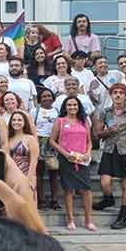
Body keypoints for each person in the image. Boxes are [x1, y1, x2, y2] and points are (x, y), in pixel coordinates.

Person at [50, 96, 95, 231]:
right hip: (66, 159)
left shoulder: (84, 121)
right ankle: (70, 219)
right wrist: (65, 154)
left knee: (86, 190)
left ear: (79, 106)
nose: (72, 107)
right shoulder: (60, 121)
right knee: (69, 190)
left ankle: (89, 221)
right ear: (65, 107)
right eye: (69, 105)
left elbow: (89, 141)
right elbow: (52, 141)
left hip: (82, 160)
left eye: (75, 105)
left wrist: (87, 153)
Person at [93, 83, 126, 229]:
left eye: (121, 92)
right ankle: (108, 199)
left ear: (125, 95)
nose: (118, 95)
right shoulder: (106, 112)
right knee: (104, 182)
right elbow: (97, 134)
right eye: (115, 92)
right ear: (111, 95)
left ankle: (122, 218)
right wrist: (109, 131)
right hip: (109, 151)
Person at [32, 88, 62, 210]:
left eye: (49, 96)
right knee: (39, 171)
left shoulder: (57, 111)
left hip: (53, 142)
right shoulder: (35, 110)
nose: (47, 98)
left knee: (53, 171)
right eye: (44, 96)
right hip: (38, 141)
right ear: (40, 99)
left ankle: (54, 199)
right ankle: (41, 199)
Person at [8, 110, 39, 202]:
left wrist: (29, 179)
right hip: (11, 177)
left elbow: (34, 160)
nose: (16, 122)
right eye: (13, 120)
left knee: (28, 206)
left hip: (26, 174)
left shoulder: (30, 139)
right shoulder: (8, 138)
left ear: (24, 122)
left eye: (19, 120)